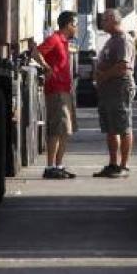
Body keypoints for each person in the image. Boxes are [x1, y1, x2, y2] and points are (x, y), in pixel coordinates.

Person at [35, 11, 78, 179]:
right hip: (56, 90)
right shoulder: (55, 39)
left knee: (66, 130)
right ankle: (50, 166)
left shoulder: (65, 41)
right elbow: (36, 52)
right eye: (74, 24)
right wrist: (46, 67)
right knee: (56, 129)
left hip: (65, 89)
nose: (76, 28)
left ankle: (59, 165)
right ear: (67, 25)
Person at [93, 9, 135, 178]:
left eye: (104, 20)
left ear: (113, 20)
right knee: (111, 128)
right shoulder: (112, 40)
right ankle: (113, 164)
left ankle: (123, 166)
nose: (102, 23)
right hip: (108, 90)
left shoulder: (123, 40)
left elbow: (123, 66)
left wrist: (104, 75)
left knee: (123, 127)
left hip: (119, 88)